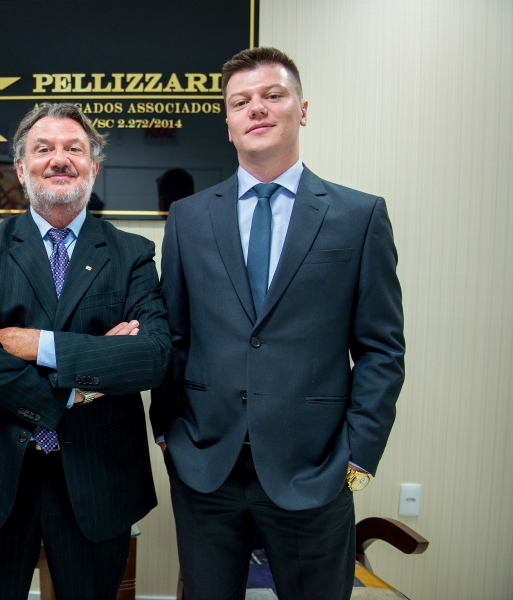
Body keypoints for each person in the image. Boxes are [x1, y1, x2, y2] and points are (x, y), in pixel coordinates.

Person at [150, 47, 404, 600]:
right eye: (240, 102)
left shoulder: (358, 216)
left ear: (302, 110)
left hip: (314, 468)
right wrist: (167, 431)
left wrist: (357, 454)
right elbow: (174, 334)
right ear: (228, 123)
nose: (257, 109)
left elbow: (381, 348)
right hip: (206, 465)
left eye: (272, 95)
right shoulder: (189, 217)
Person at [0, 102, 170, 600]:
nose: (59, 159)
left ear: (93, 167)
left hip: (99, 477)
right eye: (43, 149)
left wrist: (37, 344)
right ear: (21, 169)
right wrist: (77, 389)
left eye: (74, 149)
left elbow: (152, 357)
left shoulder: (132, 253)